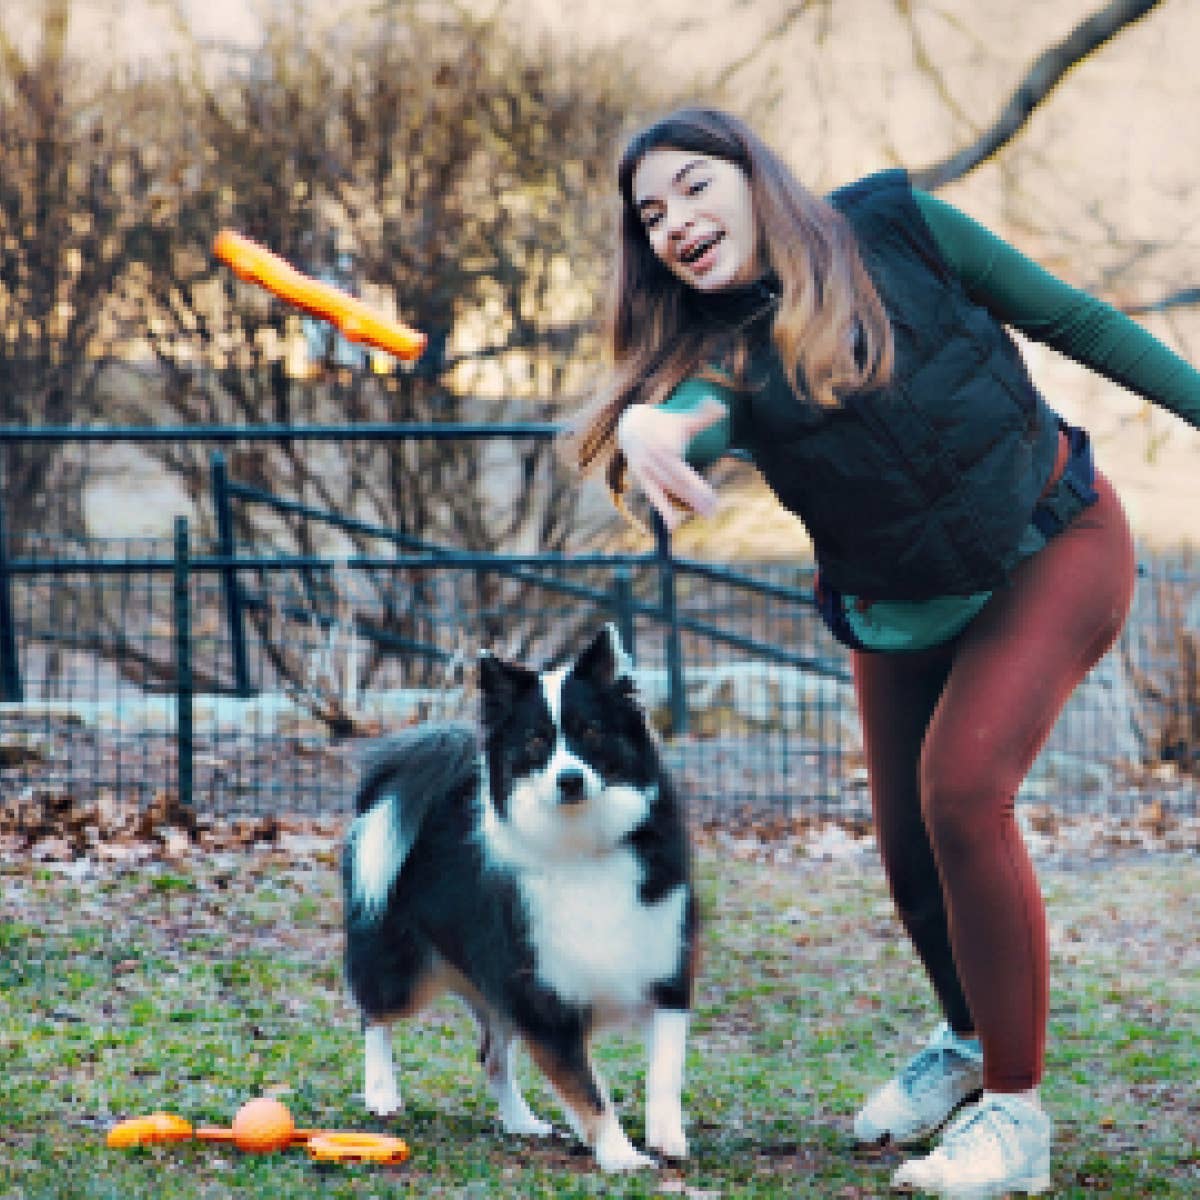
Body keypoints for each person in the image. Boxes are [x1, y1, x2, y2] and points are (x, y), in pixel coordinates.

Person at [562, 105, 1200, 1198]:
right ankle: (964, 1039)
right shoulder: (723, 358)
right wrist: (653, 427)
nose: (675, 223)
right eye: (651, 216)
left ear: (756, 178)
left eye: (694, 188)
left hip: (1055, 539)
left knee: (964, 796)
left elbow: (1083, 325)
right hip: (899, 604)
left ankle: (1015, 1119)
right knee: (911, 859)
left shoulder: (903, 227)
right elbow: (696, 418)